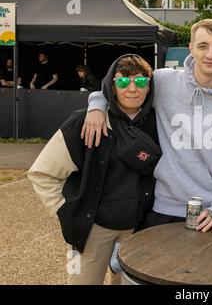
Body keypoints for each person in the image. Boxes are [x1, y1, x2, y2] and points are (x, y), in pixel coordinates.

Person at [81, 19, 212, 233]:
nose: (210, 54)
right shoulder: (164, 82)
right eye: (202, 46)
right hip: (163, 209)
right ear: (190, 48)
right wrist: (98, 105)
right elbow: (124, 86)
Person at [28, 54, 161, 285]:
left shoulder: (157, 123)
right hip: (90, 232)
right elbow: (42, 173)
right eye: (122, 82)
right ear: (112, 85)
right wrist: (66, 212)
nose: (132, 89)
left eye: (140, 82)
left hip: (138, 230)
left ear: (149, 87)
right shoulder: (84, 123)